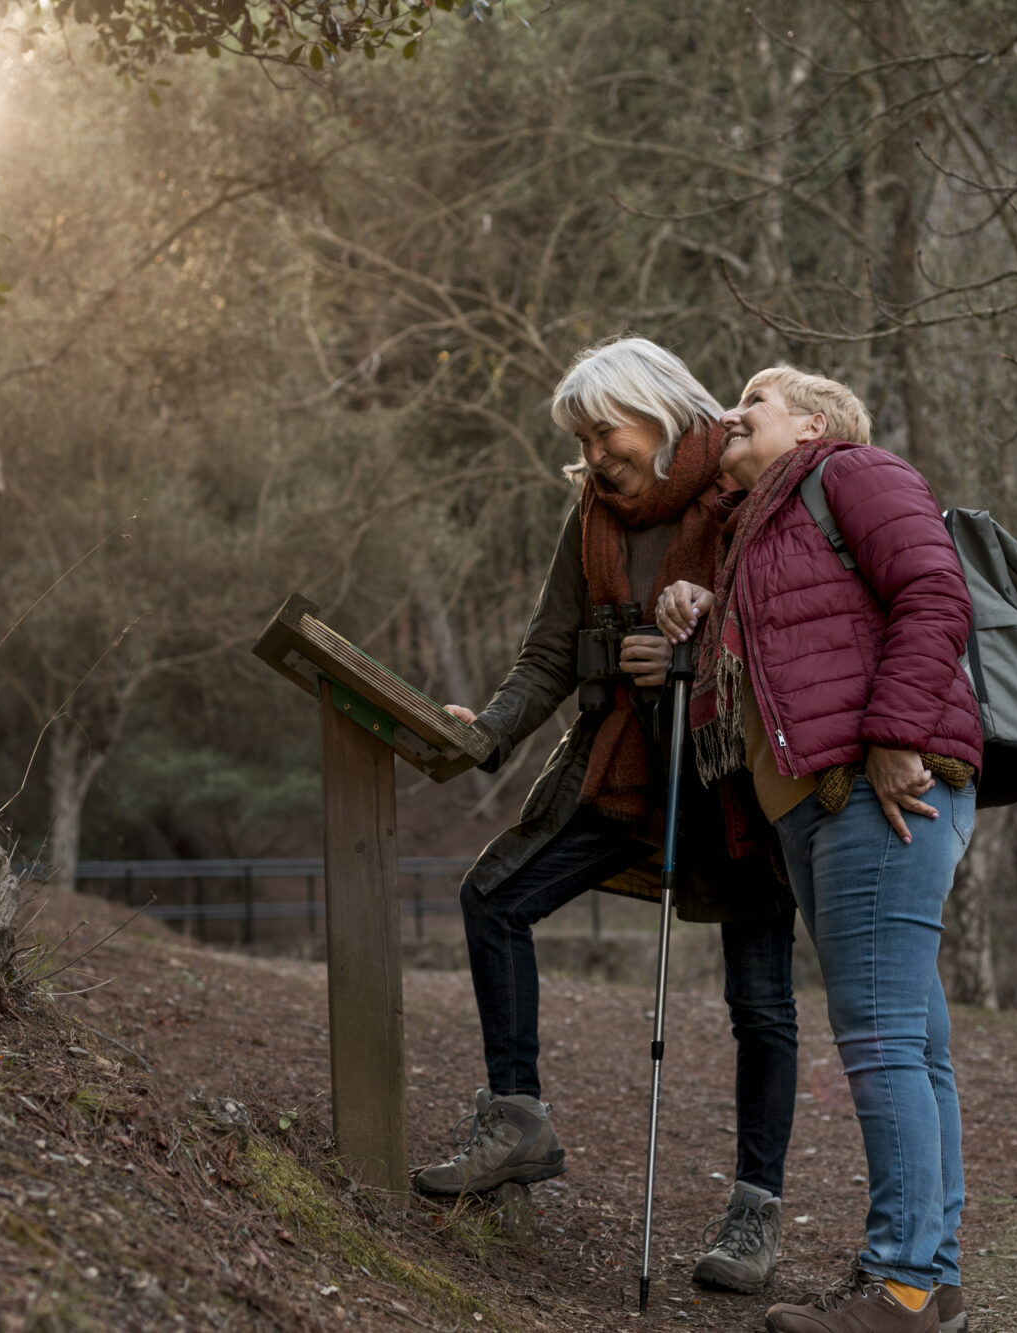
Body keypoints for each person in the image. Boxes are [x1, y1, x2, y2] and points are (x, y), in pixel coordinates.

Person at [414, 337, 800, 1295]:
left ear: (656, 409)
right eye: (581, 440)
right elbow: (549, 652)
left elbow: (792, 624)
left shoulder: (746, 488)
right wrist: (487, 731)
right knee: (493, 897)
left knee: (760, 1002)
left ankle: (755, 1210)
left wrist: (691, 649)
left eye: (603, 432)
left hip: (736, 782)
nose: (593, 455)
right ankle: (517, 1119)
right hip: (625, 771)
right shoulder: (589, 514)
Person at [657, 366, 980, 1333]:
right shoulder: (759, 528)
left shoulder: (853, 471)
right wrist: (701, 601)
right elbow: (799, 641)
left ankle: (901, 1285)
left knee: (879, 1039)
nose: (732, 413)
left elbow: (936, 591)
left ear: (812, 423)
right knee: (913, 1042)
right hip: (817, 807)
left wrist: (894, 734)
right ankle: (933, 1280)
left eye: (754, 401)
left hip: (882, 787)